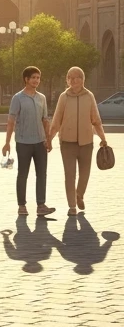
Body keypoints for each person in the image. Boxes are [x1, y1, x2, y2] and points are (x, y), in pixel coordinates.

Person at [48, 66, 110, 216]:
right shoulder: (64, 97)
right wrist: (49, 139)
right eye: (71, 78)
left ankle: (79, 195)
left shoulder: (89, 96)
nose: (74, 80)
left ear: (83, 79)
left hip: (86, 142)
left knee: (85, 174)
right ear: (67, 80)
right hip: (67, 143)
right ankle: (72, 206)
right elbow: (56, 120)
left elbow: (96, 120)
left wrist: (103, 138)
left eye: (78, 77)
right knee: (70, 174)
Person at [3, 66, 55, 217]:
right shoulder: (17, 98)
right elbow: (11, 121)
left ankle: (41, 205)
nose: (36, 80)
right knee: (23, 174)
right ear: (26, 79)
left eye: (38, 78)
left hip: (40, 142)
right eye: (33, 77)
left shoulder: (42, 98)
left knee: (42, 174)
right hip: (23, 142)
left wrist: (49, 139)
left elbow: (45, 120)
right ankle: (22, 206)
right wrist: (7, 142)